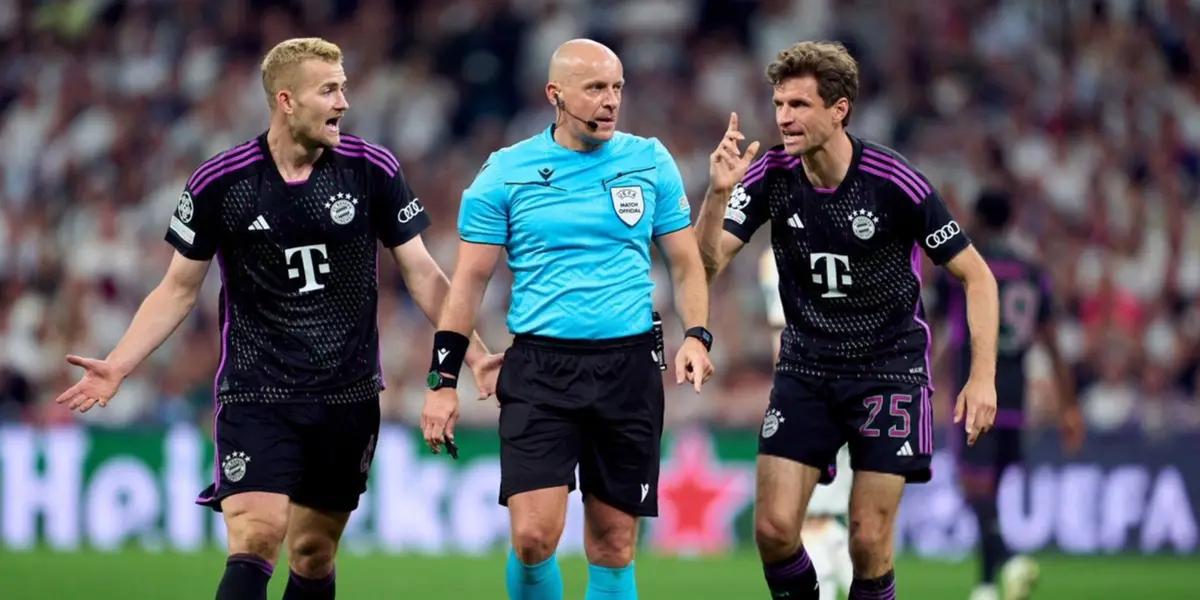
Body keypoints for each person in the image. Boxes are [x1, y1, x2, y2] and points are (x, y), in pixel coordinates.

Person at [53, 37, 500, 600]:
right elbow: (176, 289)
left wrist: (474, 353)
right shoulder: (222, 181)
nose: (345, 101)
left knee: (313, 555)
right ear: (286, 101)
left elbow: (424, 274)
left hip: (347, 396)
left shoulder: (371, 169)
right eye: (330, 90)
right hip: (256, 392)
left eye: (344, 87)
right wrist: (119, 365)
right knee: (258, 535)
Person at [695, 41, 999, 599]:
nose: (784, 117)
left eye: (800, 105)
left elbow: (977, 277)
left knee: (866, 539)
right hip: (807, 368)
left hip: (890, 371)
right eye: (780, 103)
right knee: (774, 530)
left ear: (839, 110)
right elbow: (707, 264)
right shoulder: (770, 173)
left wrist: (982, 377)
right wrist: (717, 197)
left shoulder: (894, 182)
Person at [420, 39, 713, 600]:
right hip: (539, 369)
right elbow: (468, 286)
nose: (610, 101)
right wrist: (442, 380)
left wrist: (696, 335)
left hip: (628, 368)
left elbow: (685, 262)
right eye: (596, 88)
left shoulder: (649, 160)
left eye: (617, 88)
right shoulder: (505, 173)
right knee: (532, 537)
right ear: (555, 94)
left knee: (613, 544)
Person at [934, 189, 1085, 600]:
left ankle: (1011, 559)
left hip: (974, 390)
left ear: (979, 220)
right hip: (1015, 398)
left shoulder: (963, 264)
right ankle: (985, 587)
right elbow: (1052, 342)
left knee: (972, 489)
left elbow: (935, 327)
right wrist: (1069, 406)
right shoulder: (1032, 271)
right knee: (992, 491)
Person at [760, 250, 853, 600]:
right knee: (818, 511)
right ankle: (843, 574)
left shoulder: (772, 257)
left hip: (811, 384)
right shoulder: (808, 245)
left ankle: (830, 582)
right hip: (829, 378)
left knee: (813, 513)